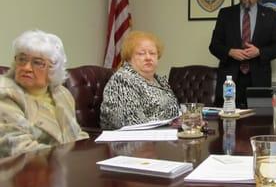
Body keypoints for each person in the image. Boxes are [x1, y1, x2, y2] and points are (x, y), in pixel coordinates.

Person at [0, 30, 88, 158]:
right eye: (22, 59)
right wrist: (64, 160)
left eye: (37, 62)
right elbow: (16, 147)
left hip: (62, 171)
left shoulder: (62, 94)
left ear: (53, 69)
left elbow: (76, 134)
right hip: (22, 172)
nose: (26, 68)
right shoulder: (5, 92)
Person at [209, 0, 276, 107]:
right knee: (226, 123)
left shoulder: (270, 16)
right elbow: (214, 46)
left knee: (258, 123)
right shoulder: (226, 14)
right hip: (230, 80)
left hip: (259, 80)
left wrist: (259, 52)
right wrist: (230, 52)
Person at [100, 31, 179, 129]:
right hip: (129, 142)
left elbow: (175, 111)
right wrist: (172, 120)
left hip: (160, 137)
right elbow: (132, 123)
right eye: (141, 53)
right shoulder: (122, 80)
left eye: (152, 53)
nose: (148, 57)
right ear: (129, 58)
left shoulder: (159, 81)